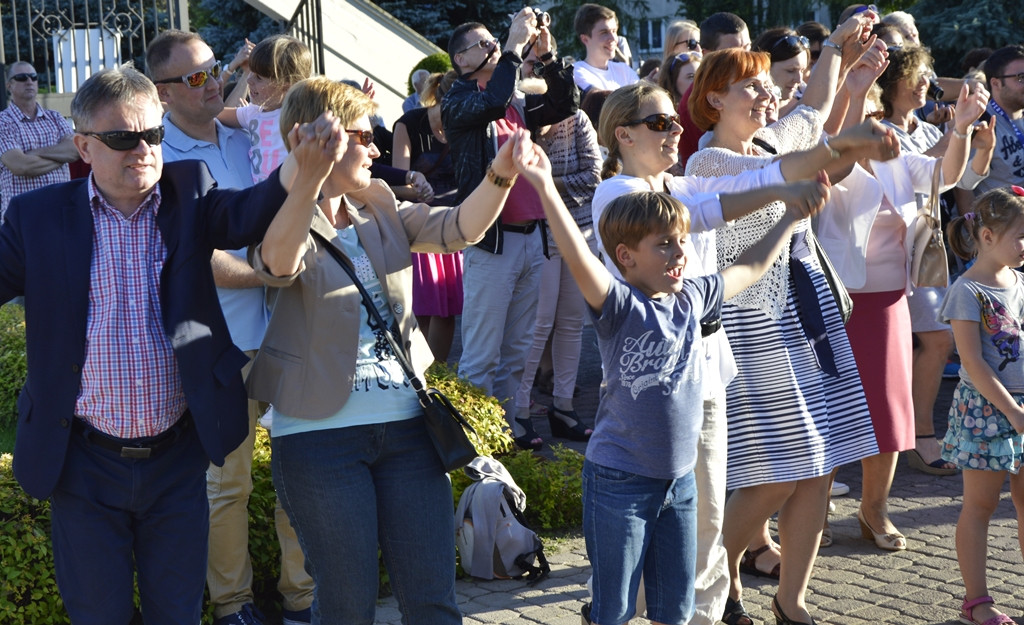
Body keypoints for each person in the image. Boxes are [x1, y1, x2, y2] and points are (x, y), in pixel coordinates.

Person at [0, 63, 336, 625]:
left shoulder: (189, 192)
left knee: (176, 614)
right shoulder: (38, 217)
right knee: (98, 615)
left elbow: (245, 214)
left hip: (176, 458)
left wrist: (297, 170)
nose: (142, 150)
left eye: (152, 135)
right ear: (83, 145)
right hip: (81, 460)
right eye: (121, 139)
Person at [589, 80, 898, 625]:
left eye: (673, 122)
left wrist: (832, 151)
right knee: (659, 533)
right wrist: (830, 151)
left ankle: (693, 615)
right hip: (652, 392)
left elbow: (757, 178)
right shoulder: (619, 195)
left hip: (705, 376)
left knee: (704, 526)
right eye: (660, 123)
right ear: (624, 134)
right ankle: (610, 611)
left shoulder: (672, 183)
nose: (675, 130)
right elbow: (712, 209)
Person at [516, 126, 829, 624]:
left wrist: (790, 217)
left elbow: (746, 267)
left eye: (682, 241)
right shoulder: (618, 305)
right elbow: (576, 254)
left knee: (675, 608)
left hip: (679, 481)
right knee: (613, 609)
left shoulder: (693, 298)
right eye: (664, 245)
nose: (680, 253)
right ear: (625, 257)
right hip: (620, 479)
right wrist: (545, 186)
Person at [245, 77, 523, 624]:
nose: (376, 148)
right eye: (362, 135)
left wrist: (501, 176)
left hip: (407, 430)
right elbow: (278, 263)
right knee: (347, 604)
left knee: (433, 602)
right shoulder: (268, 207)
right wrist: (307, 179)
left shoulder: (378, 204)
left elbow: (458, 228)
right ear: (315, 138)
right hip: (318, 438)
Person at [687, 48, 891, 625]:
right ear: (714, 100)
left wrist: (846, 59)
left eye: (763, 85)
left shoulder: (773, 146)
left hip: (810, 315)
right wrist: (844, 137)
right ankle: (711, 582)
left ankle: (792, 601)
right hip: (753, 327)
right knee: (782, 470)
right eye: (748, 86)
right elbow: (794, 162)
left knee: (823, 464)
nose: (764, 94)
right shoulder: (708, 167)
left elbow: (818, 102)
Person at [145, 30, 314, 625]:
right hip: (222, 342)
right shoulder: (156, 158)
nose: (213, 81)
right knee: (229, 485)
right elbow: (186, 255)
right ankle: (233, 604)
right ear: (162, 94)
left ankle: (302, 596)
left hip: (287, 332)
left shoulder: (249, 133)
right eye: (194, 78)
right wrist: (269, 276)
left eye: (215, 69)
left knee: (303, 475)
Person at [831, 46, 990, 549]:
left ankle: (874, 512)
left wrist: (962, 127)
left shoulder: (901, 156)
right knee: (830, 409)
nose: (883, 132)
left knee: (889, 412)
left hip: (886, 302)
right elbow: (836, 157)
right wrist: (854, 95)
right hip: (835, 299)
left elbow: (947, 175)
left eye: (884, 123)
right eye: (872, 121)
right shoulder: (834, 160)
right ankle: (811, 513)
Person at [442, 9, 577, 450]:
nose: (493, 46)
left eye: (492, 41)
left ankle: (502, 435)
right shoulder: (459, 101)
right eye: (481, 44)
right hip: (491, 243)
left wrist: (547, 54)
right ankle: (472, 446)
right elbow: (493, 101)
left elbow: (564, 105)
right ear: (459, 61)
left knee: (517, 352)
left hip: (530, 240)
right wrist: (515, 48)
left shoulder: (516, 99)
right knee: (481, 355)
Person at [940, 186, 1024, 625]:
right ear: (987, 236)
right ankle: (977, 600)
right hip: (987, 413)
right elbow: (971, 361)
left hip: (1021, 410)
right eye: (1020, 236)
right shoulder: (966, 290)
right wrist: (1012, 410)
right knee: (980, 506)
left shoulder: (1019, 280)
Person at [512, 40, 602, 442]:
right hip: (538, 233)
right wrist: (543, 190)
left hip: (577, 230)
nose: (537, 74)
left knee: (570, 322)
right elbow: (515, 185)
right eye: (529, 66)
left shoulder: (577, 119)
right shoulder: (515, 122)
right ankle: (519, 408)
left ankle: (563, 408)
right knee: (539, 322)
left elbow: (593, 177)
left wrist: (546, 185)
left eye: (543, 67)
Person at [392, 70, 462, 362]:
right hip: (419, 224)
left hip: (456, 224)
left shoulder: (466, 125)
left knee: (446, 312)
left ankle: (438, 379)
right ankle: (419, 378)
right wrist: (421, 192)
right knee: (421, 310)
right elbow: (395, 185)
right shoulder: (409, 124)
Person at [219, 35, 313, 185]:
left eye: (259, 78)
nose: (249, 80)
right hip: (260, 198)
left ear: (286, 84)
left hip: (291, 199)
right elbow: (214, 114)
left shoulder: (303, 116)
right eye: (250, 72)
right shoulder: (252, 113)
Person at [0, 61, 79, 220]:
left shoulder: (55, 117)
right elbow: (21, 166)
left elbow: (75, 151)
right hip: (23, 217)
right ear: (9, 86)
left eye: (33, 77)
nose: (29, 81)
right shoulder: (3, 122)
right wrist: (60, 158)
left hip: (59, 212)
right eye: (22, 77)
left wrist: (35, 153)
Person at [676, 12, 751, 168]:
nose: (745, 58)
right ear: (707, 55)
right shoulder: (697, 100)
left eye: (747, 48)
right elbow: (724, 161)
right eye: (733, 53)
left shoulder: (748, 86)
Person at [960, 45, 1024, 194]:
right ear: (995, 83)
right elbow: (963, 185)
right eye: (1021, 78)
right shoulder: (980, 123)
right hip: (1005, 215)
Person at [571, 3, 639, 93]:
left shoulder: (624, 70)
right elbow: (604, 101)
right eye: (604, 32)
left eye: (614, 31)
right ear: (585, 39)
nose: (613, 38)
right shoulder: (577, 72)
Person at [751, 28, 810, 119]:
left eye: (802, 70)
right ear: (765, 68)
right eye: (790, 70)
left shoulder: (809, 104)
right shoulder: (744, 109)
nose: (799, 79)